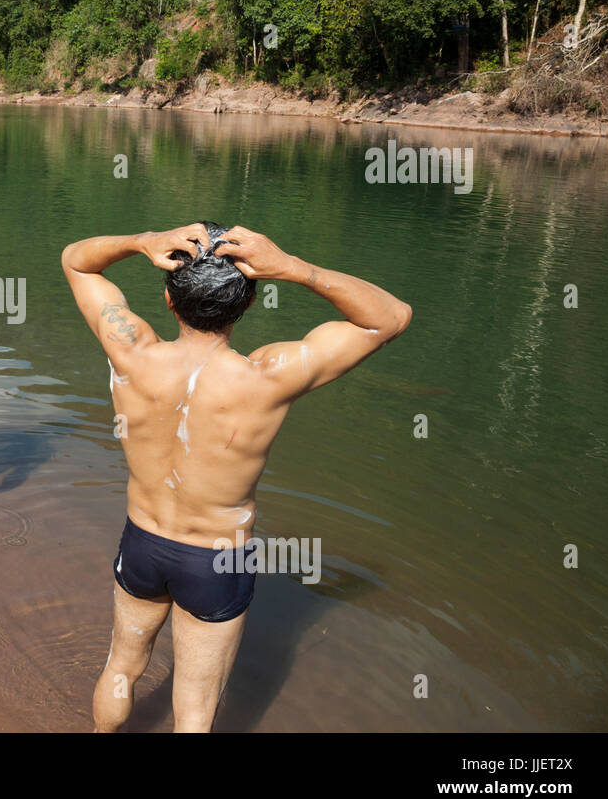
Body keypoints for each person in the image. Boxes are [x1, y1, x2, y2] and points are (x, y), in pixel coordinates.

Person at [60, 222, 411, 731]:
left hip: (143, 540)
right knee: (196, 713)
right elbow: (390, 317)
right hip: (216, 559)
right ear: (247, 305)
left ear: (167, 299)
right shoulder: (269, 375)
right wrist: (292, 267)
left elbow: (76, 259)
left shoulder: (129, 348)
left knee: (121, 665)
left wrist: (143, 241)